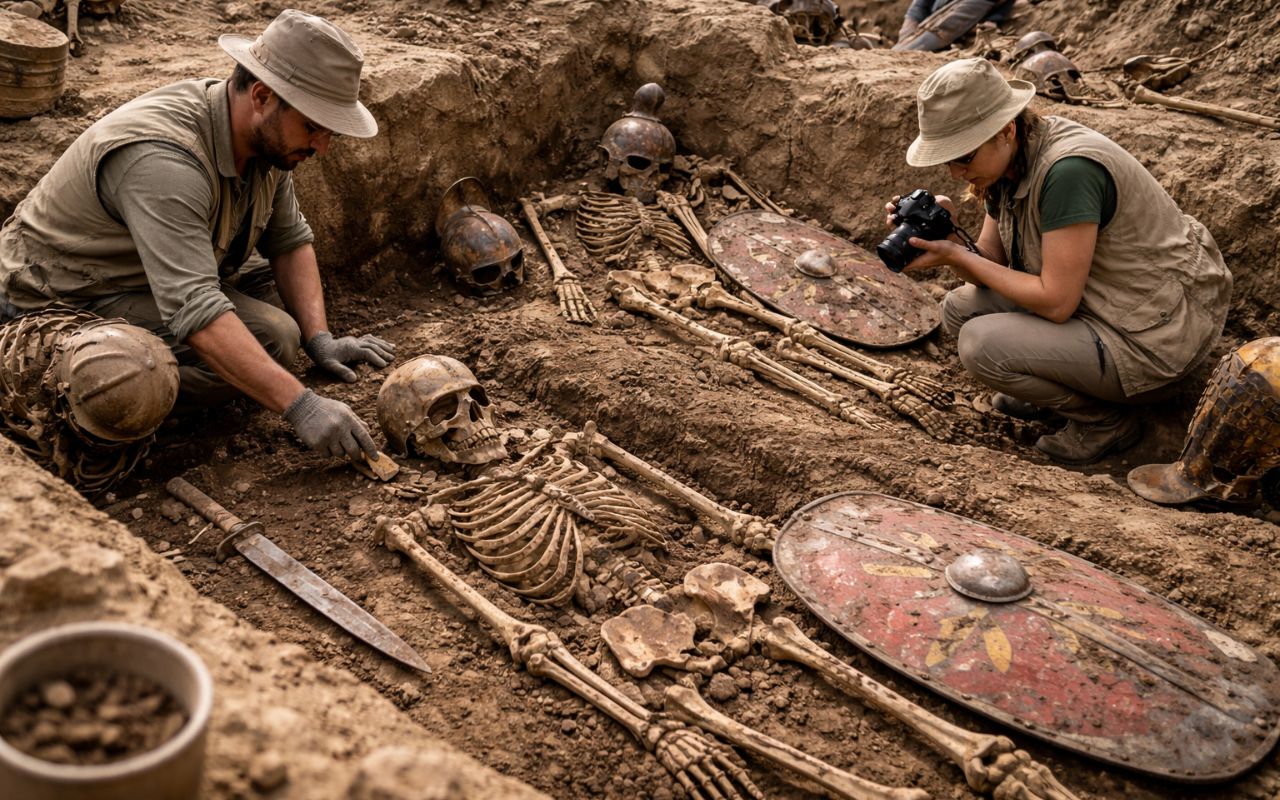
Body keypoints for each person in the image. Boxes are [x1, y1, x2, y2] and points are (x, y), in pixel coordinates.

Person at [0, 9, 394, 463]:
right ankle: (72, 400)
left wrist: (320, 339)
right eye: (313, 127)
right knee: (248, 347)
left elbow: (288, 239)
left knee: (279, 321)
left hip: (148, 273)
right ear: (263, 96)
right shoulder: (163, 161)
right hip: (61, 295)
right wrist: (300, 405)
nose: (322, 146)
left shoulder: (260, 137)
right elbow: (195, 306)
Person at [888, 58, 1232, 465]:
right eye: (947, 160)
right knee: (960, 309)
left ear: (1005, 130)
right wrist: (946, 238)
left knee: (981, 345)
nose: (956, 172)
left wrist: (955, 255)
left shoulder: (1069, 172)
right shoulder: (1009, 162)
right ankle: (1059, 391)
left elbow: (1056, 301)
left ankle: (1103, 422)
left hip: (1158, 340)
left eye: (963, 156)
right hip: (1108, 306)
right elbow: (988, 265)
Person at [896, 0, 1016, 51]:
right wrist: (909, 26)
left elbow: (946, 28)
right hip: (931, 18)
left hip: (958, 22)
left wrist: (994, 19)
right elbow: (918, 7)